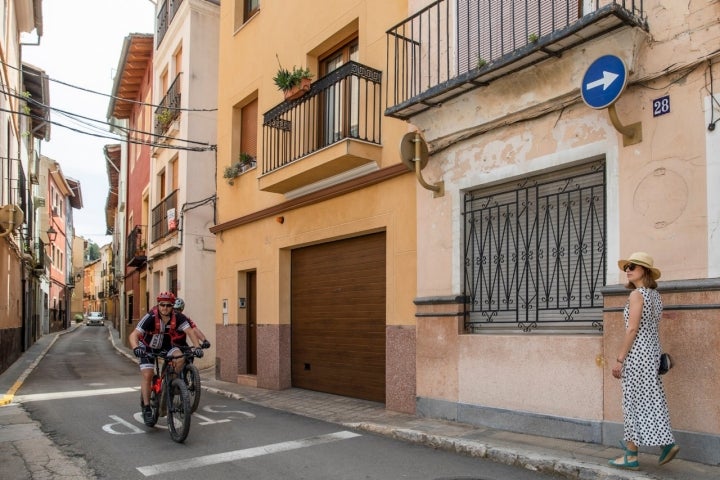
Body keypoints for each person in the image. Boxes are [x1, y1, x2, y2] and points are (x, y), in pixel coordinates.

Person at [610, 252, 679, 470]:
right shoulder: (654, 296)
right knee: (650, 399)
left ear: (644, 271)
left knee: (631, 402)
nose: (628, 270)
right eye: (626, 267)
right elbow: (652, 319)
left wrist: (620, 359)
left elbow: (632, 328)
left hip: (637, 354)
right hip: (652, 353)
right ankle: (666, 444)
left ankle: (631, 455)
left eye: (633, 266)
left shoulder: (636, 295)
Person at [129, 291, 203, 426]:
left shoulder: (178, 317)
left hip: (166, 345)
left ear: (172, 306)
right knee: (148, 374)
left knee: (180, 358)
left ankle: (171, 384)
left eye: (168, 305)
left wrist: (197, 347)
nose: (165, 308)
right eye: (162, 305)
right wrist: (136, 348)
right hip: (146, 346)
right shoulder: (150, 317)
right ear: (158, 305)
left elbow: (191, 332)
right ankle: (146, 408)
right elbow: (134, 335)